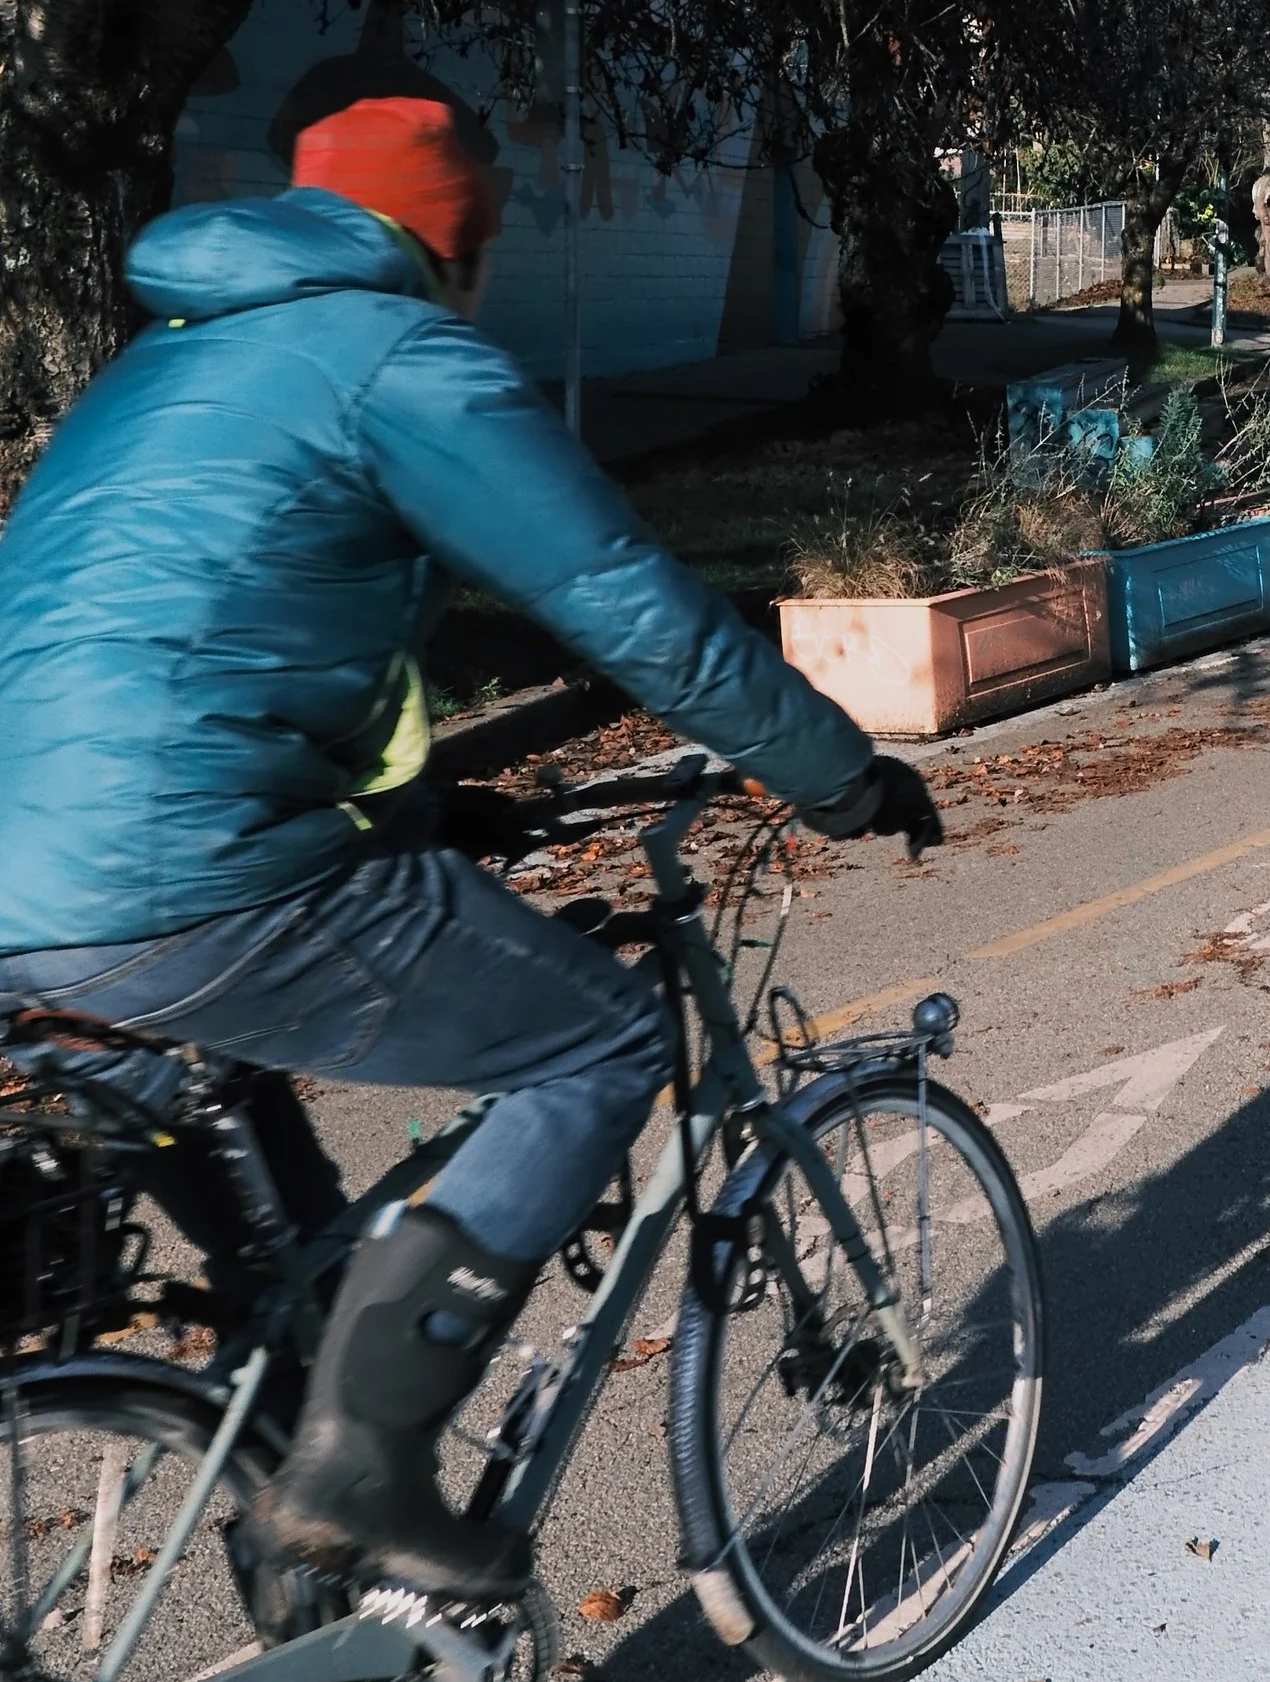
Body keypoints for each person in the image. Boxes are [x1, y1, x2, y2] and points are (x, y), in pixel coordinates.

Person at [0, 96, 934, 1602]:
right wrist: (834, 772)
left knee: (293, 1306)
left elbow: (198, 651)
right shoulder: (401, 360)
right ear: (456, 233)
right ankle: (364, 1471)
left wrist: (429, 814)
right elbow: (624, 602)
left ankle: (332, 1659)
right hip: (189, 883)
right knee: (601, 1044)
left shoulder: (163, 365)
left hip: (27, 898)